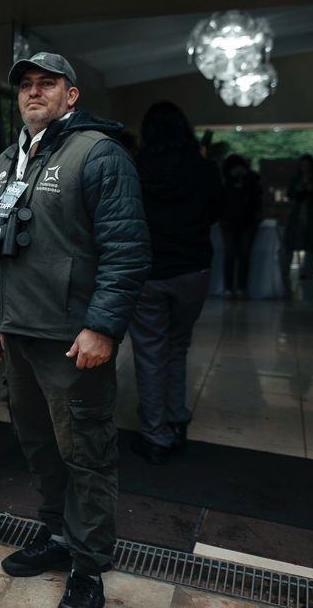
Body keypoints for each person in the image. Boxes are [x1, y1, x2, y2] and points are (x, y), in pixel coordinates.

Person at [0, 52, 149, 608]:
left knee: (85, 452)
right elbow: (1, 249)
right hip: (20, 335)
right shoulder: (7, 160)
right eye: (25, 85)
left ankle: (88, 566)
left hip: (73, 340)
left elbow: (127, 251)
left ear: (71, 94)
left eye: (47, 83)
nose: (34, 92)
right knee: (39, 446)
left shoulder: (99, 154)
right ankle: (57, 537)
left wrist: (102, 327)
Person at [127, 102, 222, 465]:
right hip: (193, 271)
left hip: (148, 271)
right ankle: (176, 419)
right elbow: (216, 212)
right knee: (178, 346)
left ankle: (155, 434)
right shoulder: (204, 168)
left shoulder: (136, 167)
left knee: (150, 351)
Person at [219, 154, 262, 298]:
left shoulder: (247, 180)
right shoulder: (228, 181)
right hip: (234, 222)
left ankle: (234, 288)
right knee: (237, 255)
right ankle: (235, 288)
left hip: (242, 222)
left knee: (237, 255)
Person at [285, 153, 313, 280]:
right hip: (297, 213)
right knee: (294, 240)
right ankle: (287, 271)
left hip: (312, 213)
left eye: (307, 164)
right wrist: (300, 191)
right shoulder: (295, 179)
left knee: (311, 244)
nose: (305, 167)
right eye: (303, 164)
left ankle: (307, 272)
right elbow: (290, 194)